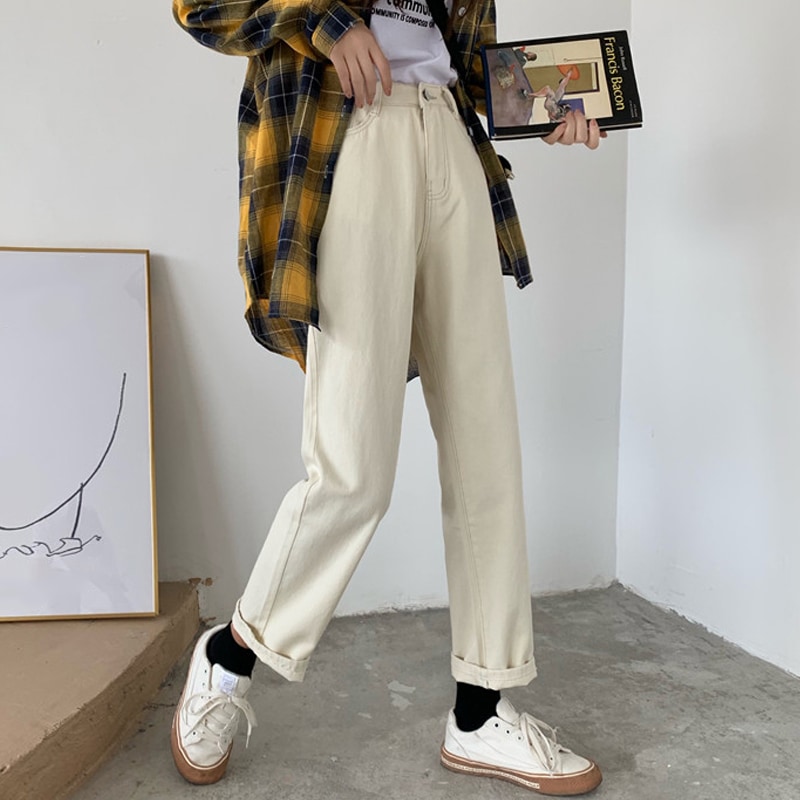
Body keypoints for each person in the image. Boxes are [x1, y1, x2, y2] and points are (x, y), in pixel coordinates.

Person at [170, 0, 605, 794]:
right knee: (353, 468)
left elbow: (473, 56)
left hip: (448, 137)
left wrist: (548, 105)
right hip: (351, 134)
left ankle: (481, 708)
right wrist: (328, 21)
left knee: (485, 444)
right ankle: (230, 655)